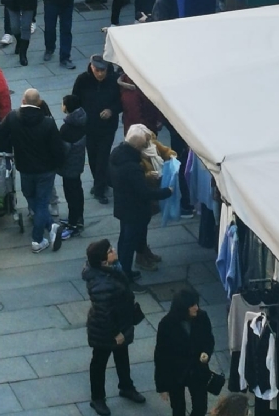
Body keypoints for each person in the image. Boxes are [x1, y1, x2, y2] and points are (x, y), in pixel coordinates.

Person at [0, 87, 65, 252]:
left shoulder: (13, 117)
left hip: (25, 168)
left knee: (30, 196)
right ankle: (40, 237)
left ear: (23, 101)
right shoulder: (48, 122)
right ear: (39, 103)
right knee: (42, 202)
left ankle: (43, 233)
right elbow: (58, 148)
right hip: (45, 169)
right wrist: (58, 164)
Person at [83, 238, 146, 416]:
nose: (114, 251)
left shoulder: (112, 269)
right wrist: (115, 333)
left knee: (122, 356)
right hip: (105, 330)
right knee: (99, 362)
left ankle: (126, 387)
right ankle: (98, 398)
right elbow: (104, 313)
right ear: (103, 261)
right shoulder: (101, 282)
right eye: (110, 250)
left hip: (120, 322)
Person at [109, 126, 171, 280]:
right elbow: (145, 193)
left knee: (124, 239)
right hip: (134, 210)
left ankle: (123, 269)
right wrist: (167, 192)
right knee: (129, 243)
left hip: (123, 206)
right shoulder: (132, 167)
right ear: (137, 146)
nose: (145, 148)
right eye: (144, 145)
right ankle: (125, 274)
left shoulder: (117, 155)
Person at [154, 288, 215, 416]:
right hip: (176, 373)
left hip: (197, 369)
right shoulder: (166, 324)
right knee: (178, 409)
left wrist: (206, 353)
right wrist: (162, 387)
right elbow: (160, 356)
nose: (196, 308)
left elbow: (209, 340)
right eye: (192, 305)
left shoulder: (202, 317)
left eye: (196, 304)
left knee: (200, 407)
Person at [73, 55, 121, 204]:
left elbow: (121, 102)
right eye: (97, 70)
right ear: (91, 67)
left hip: (107, 128)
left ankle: (99, 189)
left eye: (103, 70)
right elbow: (75, 99)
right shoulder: (83, 80)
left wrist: (111, 110)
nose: (100, 74)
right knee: (93, 157)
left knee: (103, 157)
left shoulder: (114, 81)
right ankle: (100, 181)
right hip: (89, 127)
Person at [57, 92, 87, 237]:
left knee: (71, 194)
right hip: (78, 164)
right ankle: (77, 218)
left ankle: (73, 223)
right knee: (78, 191)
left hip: (68, 167)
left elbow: (62, 150)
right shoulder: (81, 121)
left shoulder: (67, 128)